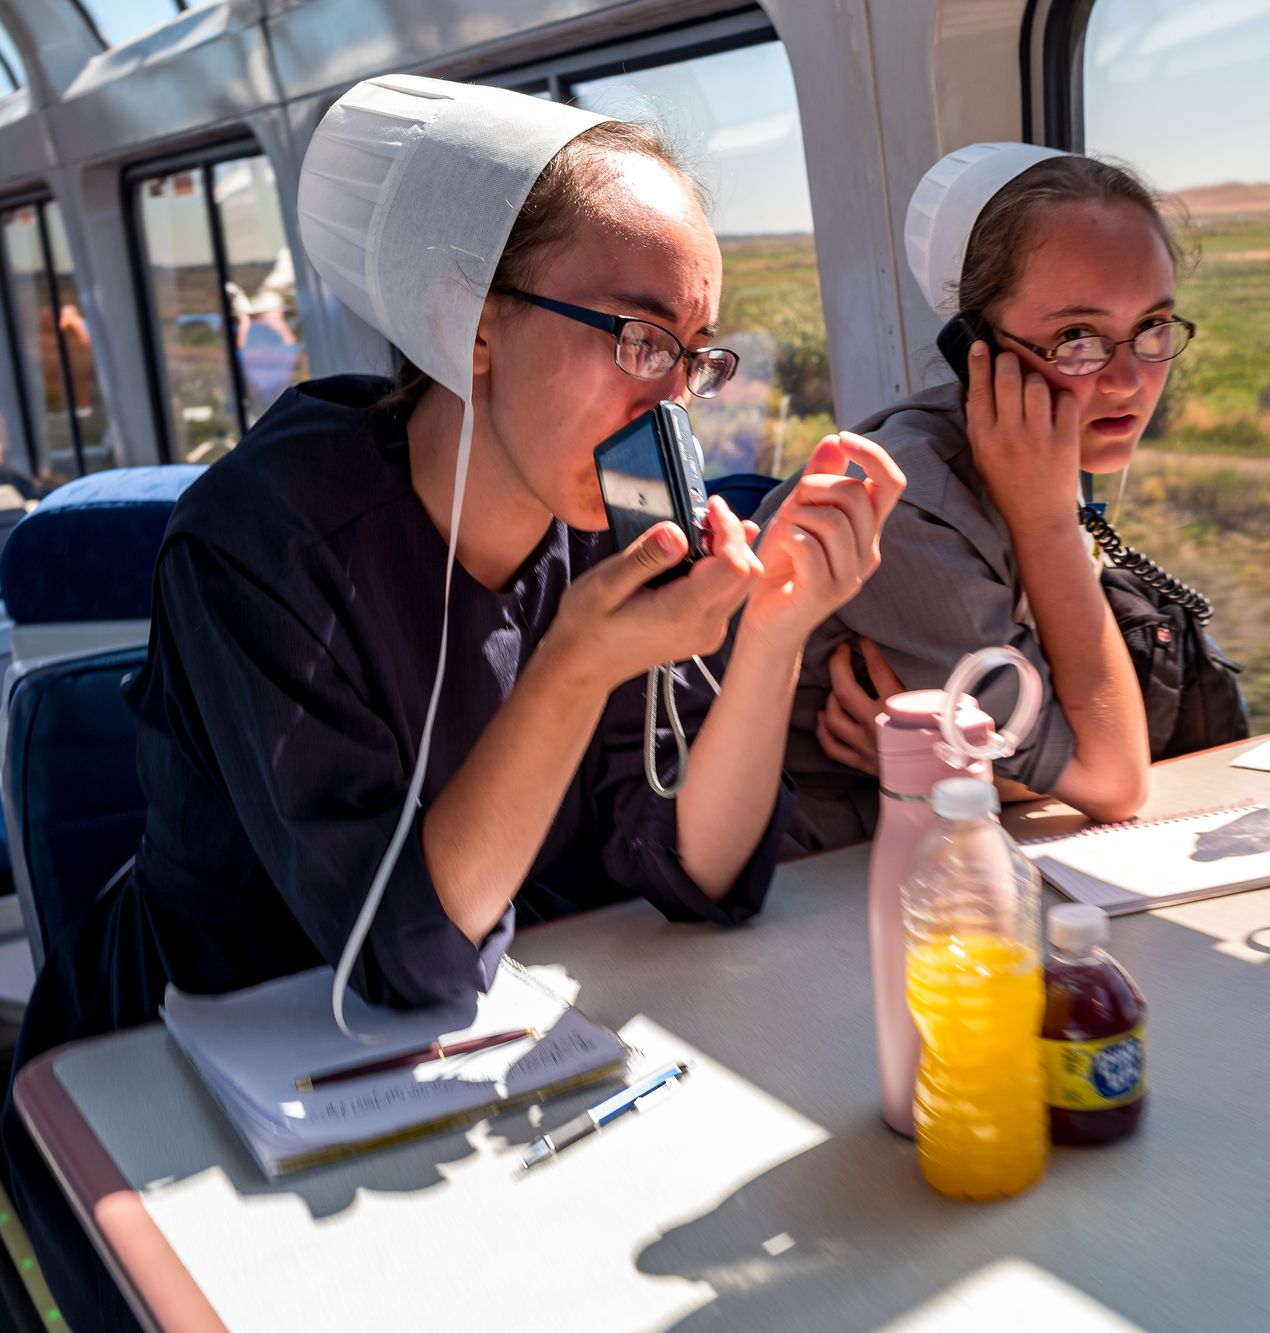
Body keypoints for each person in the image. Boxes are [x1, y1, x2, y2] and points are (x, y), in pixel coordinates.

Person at [1, 76, 903, 1331]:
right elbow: (404, 954)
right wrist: (575, 666)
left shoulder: (596, 528)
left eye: (691, 358)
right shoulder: (263, 545)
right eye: (637, 339)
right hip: (191, 1080)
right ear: (468, 321)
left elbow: (700, 870)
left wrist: (773, 637)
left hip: (468, 1063)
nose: (669, 402)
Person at [753, 142, 1202, 852]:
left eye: (1150, 328)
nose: (1125, 379)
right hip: (818, 889)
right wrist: (1051, 522)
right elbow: (1111, 776)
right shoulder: (910, 509)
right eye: (1076, 337)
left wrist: (966, 774)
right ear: (977, 349)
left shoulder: (1034, 462)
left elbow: (1065, 747)